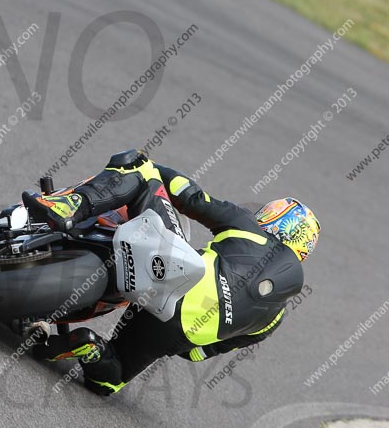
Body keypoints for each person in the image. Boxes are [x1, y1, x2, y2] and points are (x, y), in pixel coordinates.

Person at [22, 149, 320, 396]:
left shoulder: (251, 229)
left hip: (172, 277)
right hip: (175, 331)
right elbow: (199, 354)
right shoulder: (273, 319)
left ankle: (72, 205)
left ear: (277, 220)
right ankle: (90, 347)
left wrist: (156, 170)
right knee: (110, 379)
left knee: (139, 169)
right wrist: (170, 338)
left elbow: (192, 199)